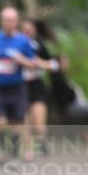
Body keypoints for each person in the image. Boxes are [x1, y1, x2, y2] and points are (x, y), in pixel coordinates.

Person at [0, 7, 40, 162]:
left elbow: (33, 65)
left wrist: (22, 60)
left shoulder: (23, 41)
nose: (9, 23)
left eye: (12, 20)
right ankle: (5, 150)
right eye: (6, 20)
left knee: (17, 123)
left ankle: (15, 152)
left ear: (17, 22)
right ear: (1, 21)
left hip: (16, 87)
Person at [20, 18, 62, 155]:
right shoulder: (15, 43)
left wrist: (39, 63)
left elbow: (54, 65)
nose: (27, 31)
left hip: (36, 85)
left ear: (34, 30)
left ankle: (42, 141)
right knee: (25, 120)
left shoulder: (39, 45)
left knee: (38, 123)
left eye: (29, 29)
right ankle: (28, 150)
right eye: (24, 29)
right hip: (19, 86)